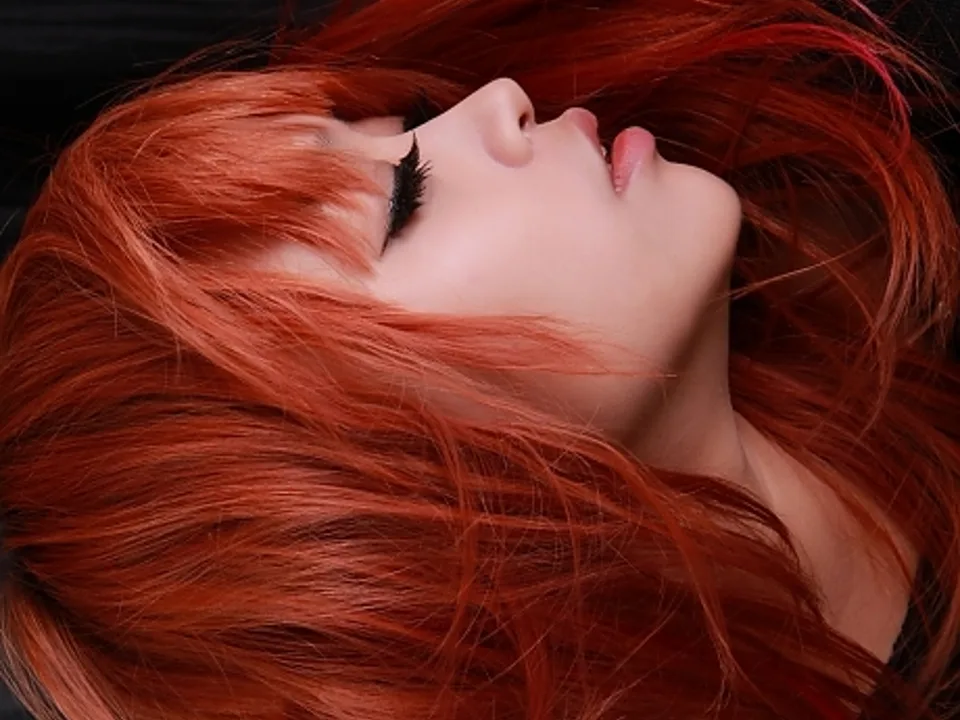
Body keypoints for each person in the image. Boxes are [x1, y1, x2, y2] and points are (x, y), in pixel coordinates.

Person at [0, 1, 958, 719]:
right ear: (358, 506)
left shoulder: (884, 256)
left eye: (405, 121)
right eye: (405, 199)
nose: (498, 102)